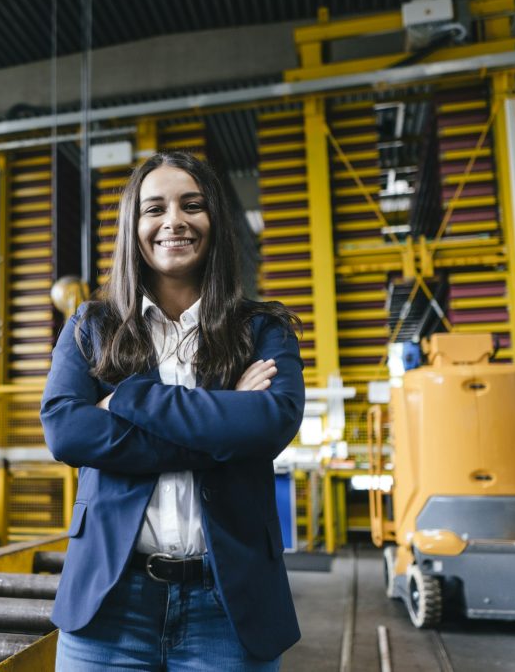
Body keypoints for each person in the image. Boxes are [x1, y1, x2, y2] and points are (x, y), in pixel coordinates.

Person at [40, 150, 306, 671]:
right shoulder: (92, 326)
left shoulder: (261, 330)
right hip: (111, 606)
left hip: (228, 610)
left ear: (215, 222)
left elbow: (271, 423)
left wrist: (131, 400)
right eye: (154, 208)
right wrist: (223, 423)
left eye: (192, 205)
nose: (174, 221)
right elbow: (67, 433)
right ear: (132, 227)